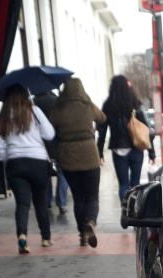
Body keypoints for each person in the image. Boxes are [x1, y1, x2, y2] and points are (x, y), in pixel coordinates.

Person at [0, 85, 55, 255]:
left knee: (22, 204)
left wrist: (9, 155)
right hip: (38, 163)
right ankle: (46, 238)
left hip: (16, 164)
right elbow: (50, 134)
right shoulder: (34, 111)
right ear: (26, 95)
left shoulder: (4, 116)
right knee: (41, 202)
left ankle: (22, 236)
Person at [50, 77, 107, 248]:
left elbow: (49, 125)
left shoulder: (58, 108)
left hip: (67, 157)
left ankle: (82, 234)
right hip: (90, 155)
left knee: (78, 197)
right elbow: (103, 118)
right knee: (92, 196)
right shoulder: (87, 105)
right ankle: (91, 221)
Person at [98, 75, 155, 223]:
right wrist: (151, 152)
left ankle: (125, 213)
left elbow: (102, 131)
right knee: (135, 184)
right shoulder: (134, 103)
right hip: (136, 148)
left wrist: (99, 152)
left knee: (123, 184)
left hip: (118, 149)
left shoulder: (108, 105)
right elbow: (146, 130)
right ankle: (133, 216)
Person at [34, 88, 70, 220]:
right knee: (63, 173)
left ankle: (47, 201)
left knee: (45, 175)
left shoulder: (34, 103)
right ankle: (62, 203)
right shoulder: (57, 101)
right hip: (59, 142)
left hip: (42, 144)